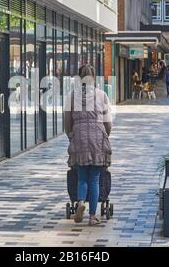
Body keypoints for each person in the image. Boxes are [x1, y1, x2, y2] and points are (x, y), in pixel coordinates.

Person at [65, 65, 113, 226]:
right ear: (94, 77)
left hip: (79, 137)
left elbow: (67, 122)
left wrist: (71, 135)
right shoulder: (102, 95)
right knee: (95, 178)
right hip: (97, 138)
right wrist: (105, 134)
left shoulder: (71, 97)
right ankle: (92, 217)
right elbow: (108, 122)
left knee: (82, 177)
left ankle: (80, 203)